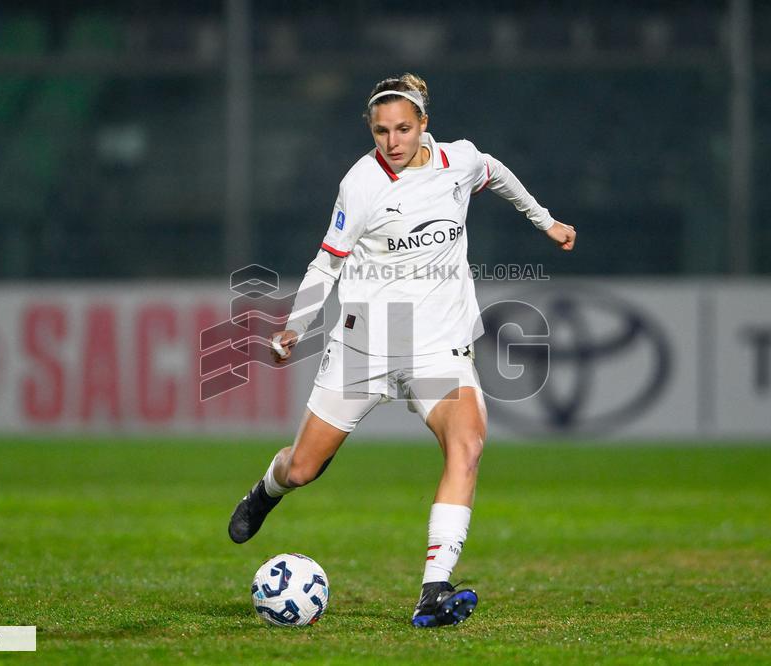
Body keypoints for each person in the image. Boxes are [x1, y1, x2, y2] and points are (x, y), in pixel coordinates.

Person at [228, 73, 576, 628]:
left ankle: (433, 592)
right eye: (382, 130)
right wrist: (294, 326)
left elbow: (498, 174)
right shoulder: (362, 183)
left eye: (403, 129)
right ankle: (266, 491)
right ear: (371, 130)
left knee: (467, 446)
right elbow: (328, 263)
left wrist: (546, 221)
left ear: (424, 126)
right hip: (364, 344)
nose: (392, 141)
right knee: (301, 470)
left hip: (439, 348)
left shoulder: (457, 162)